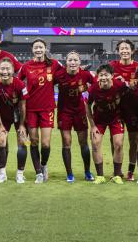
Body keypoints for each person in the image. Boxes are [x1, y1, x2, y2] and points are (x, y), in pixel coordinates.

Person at [18, 38, 62, 183]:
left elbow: (66, 74)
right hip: (30, 109)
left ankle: (43, 165)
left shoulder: (54, 64)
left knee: (45, 143)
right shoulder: (26, 66)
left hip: (47, 108)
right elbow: (18, 83)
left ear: (45, 49)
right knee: (34, 141)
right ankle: (38, 173)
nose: (38, 50)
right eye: (36, 47)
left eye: (41, 47)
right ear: (32, 49)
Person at [54, 51, 94, 182]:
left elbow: (97, 85)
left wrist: (89, 91)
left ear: (79, 62)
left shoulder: (86, 75)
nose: (72, 62)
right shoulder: (59, 75)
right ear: (66, 62)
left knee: (83, 142)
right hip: (64, 112)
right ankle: (69, 174)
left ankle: (87, 172)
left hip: (80, 112)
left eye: (75, 60)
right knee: (66, 142)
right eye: (70, 60)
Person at [0, 58, 28, 183]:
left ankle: (20, 173)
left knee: (23, 141)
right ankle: (2, 173)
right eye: (2, 69)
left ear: (13, 70)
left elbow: (23, 106)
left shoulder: (20, 84)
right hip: (2, 117)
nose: (5, 71)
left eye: (8, 69)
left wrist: (22, 125)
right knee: (0, 141)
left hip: (18, 117)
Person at [85, 64, 125, 184]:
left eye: (106, 75)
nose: (103, 77)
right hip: (99, 120)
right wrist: (92, 125)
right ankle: (100, 176)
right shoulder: (93, 88)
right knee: (95, 144)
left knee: (118, 144)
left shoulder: (120, 85)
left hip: (116, 118)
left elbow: (129, 94)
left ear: (112, 76)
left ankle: (117, 175)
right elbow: (87, 105)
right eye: (101, 75)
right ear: (97, 77)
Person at [109, 39, 138, 182]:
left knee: (134, 141)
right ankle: (118, 170)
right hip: (116, 109)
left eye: (127, 48)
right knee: (115, 141)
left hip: (134, 109)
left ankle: (130, 171)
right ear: (118, 51)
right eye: (122, 49)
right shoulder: (112, 66)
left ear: (132, 51)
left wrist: (126, 83)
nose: (124, 51)